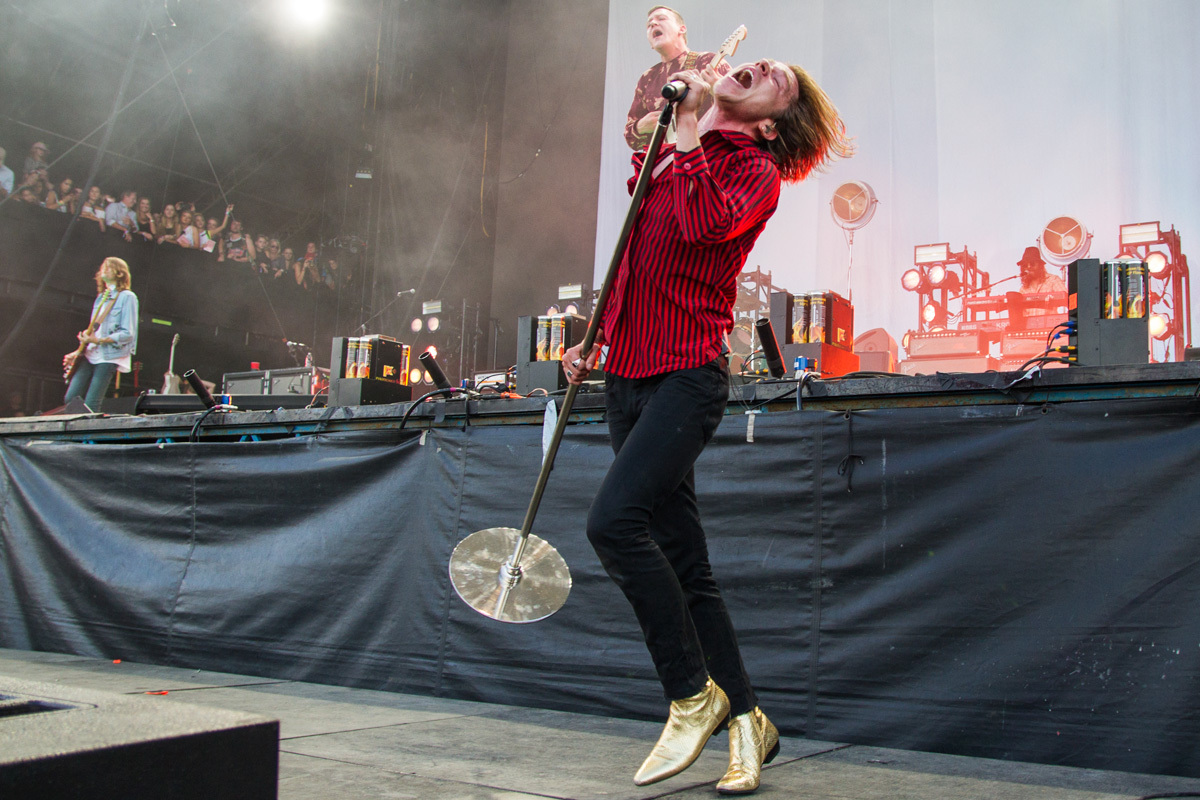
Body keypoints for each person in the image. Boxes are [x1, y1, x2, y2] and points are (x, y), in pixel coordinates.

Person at [564, 57, 852, 795]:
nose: (760, 65)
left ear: (771, 124)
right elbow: (637, 257)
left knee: (613, 524)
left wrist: (688, 125)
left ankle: (693, 695)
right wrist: (597, 338)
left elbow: (700, 227)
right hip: (627, 374)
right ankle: (749, 721)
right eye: (763, 62)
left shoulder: (754, 173)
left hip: (686, 377)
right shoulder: (670, 151)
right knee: (685, 563)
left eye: (776, 79)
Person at [624, 6, 730, 151]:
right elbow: (630, 138)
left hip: (707, 156)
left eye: (661, 18)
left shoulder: (706, 62)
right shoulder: (647, 78)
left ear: (682, 29)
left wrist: (718, 89)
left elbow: (739, 110)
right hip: (667, 162)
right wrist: (641, 127)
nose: (653, 24)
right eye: (649, 24)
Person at [62, 257, 139, 412]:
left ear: (119, 273)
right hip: (91, 353)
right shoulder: (101, 298)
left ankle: (87, 426)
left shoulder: (127, 297)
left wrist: (99, 340)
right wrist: (78, 350)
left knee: (92, 402)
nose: (104, 269)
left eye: (109, 267)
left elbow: (128, 333)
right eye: (103, 266)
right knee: (71, 397)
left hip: (109, 355)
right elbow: (95, 330)